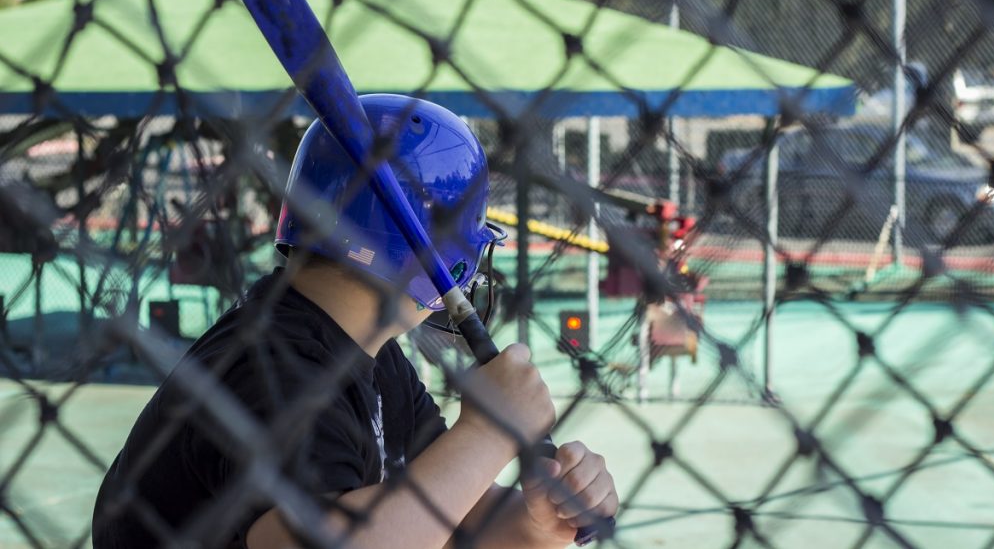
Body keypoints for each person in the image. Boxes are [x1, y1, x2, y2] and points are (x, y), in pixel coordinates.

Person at [93, 94, 618, 548]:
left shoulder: (373, 356)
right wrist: (485, 435)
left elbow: (451, 517)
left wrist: (538, 521)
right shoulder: (275, 367)